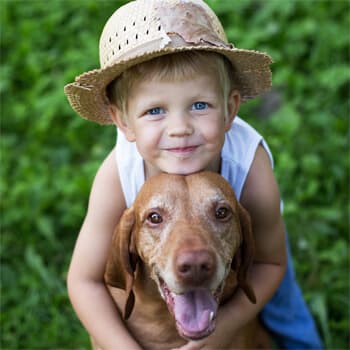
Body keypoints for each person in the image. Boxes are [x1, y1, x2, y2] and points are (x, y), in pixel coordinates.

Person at [64, 0, 323, 349]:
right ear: (123, 122)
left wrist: (226, 328)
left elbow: (270, 261)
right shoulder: (117, 175)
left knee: (285, 310)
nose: (180, 128)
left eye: (199, 105)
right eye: (155, 110)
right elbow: (84, 281)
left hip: (259, 247)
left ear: (231, 109)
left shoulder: (250, 163)